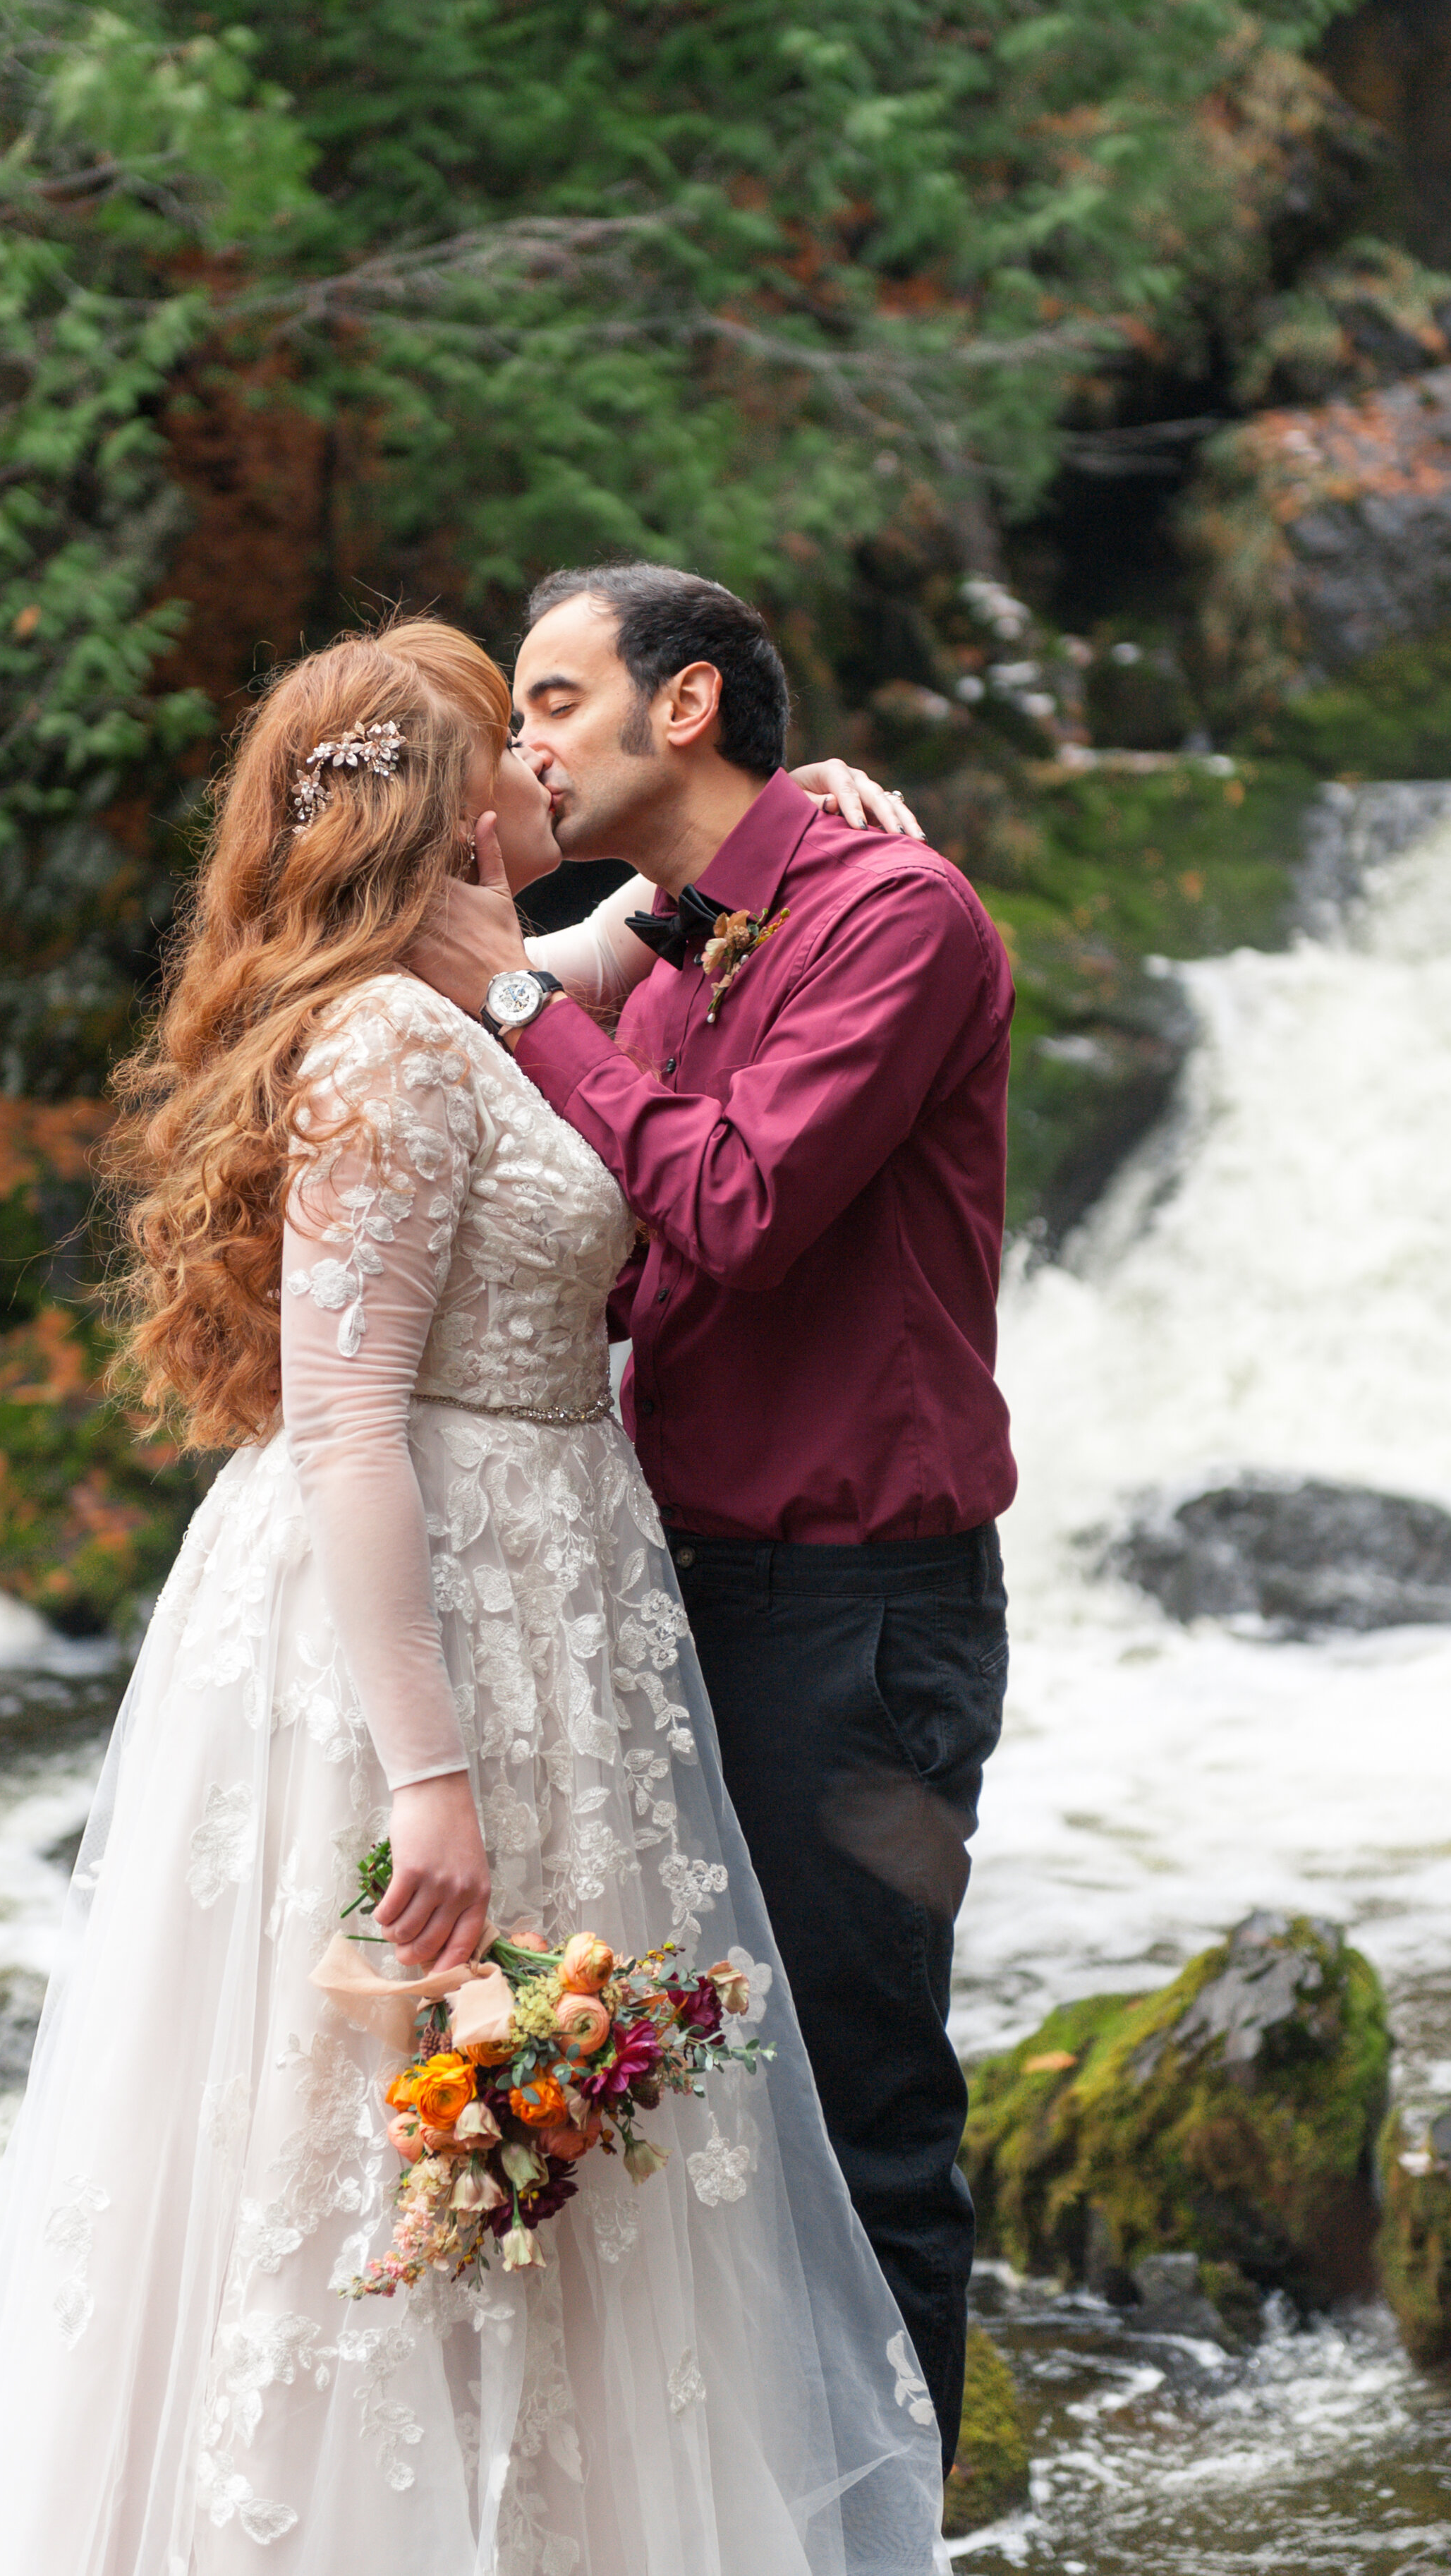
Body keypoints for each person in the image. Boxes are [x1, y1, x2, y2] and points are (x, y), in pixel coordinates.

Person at [0, 617, 951, 2576]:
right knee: (371, 2116)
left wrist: (818, 826)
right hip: (419, 1620)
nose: (549, 754)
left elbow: (642, 940)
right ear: (455, 801)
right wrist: (427, 1773)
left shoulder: (483, 995)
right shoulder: (382, 1037)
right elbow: (348, 1421)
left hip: (555, 1602)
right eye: (514, 726)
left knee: (538, 2117)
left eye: (560, 704)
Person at [408, 566, 1016, 2465]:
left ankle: (892, 2522)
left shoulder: (890, 913)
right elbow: (609, 1255)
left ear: (681, 708)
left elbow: (741, 1212)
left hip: (856, 1614)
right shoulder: (677, 932)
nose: (524, 743)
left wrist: (511, 993)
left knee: (859, 2115)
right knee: (698, 2107)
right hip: (669, 1586)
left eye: (553, 701)